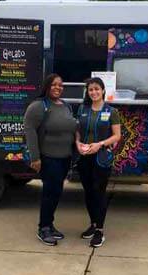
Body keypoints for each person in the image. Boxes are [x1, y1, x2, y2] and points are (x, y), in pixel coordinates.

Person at [23, 73, 77, 246]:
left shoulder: (66, 106)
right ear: (47, 86)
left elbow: (73, 128)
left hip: (64, 158)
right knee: (49, 193)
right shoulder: (39, 106)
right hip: (48, 158)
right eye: (54, 84)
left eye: (60, 85)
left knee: (57, 192)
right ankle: (43, 228)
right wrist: (35, 158)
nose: (57, 88)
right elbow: (30, 130)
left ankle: (50, 224)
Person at [75, 77, 121, 247]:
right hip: (84, 156)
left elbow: (117, 136)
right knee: (88, 192)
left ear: (103, 90)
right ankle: (93, 224)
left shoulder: (112, 111)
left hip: (101, 157)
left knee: (99, 192)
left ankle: (99, 231)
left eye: (96, 89)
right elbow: (78, 131)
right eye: (90, 90)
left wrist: (100, 144)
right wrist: (78, 143)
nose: (94, 92)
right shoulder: (83, 109)